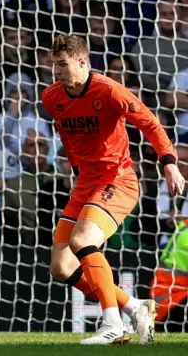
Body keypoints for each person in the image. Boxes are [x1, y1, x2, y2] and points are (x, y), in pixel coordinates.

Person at [41, 35, 186, 345]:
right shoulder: (51, 97)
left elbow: (150, 123)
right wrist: (77, 168)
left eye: (62, 65)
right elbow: (69, 135)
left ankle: (112, 324)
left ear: (81, 62)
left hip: (117, 179)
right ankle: (135, 308)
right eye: (54, 65)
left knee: (82, 241)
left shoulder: (108, 91)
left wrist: (169, 163)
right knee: (61, 267)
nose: (57, 71)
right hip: (86, 184)